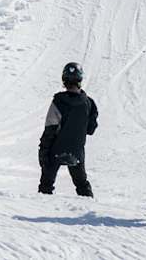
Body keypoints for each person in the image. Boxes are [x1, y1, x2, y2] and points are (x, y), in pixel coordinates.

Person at [38, 61, 98, 197]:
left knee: (46, 185)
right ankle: (89, 208)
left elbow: (50, 128)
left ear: (64, 80)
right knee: (82, 184)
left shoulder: (58, 101)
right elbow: (91, 129)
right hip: (76, 152)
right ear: (80, 79)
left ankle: (41, 207)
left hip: (56, 150)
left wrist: (43, 150)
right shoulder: (89, 103)